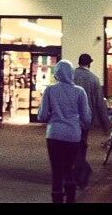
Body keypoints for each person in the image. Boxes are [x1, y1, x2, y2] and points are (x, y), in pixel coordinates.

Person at [38, 59, 92, 204]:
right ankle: (71, 199)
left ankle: (56, 199)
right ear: (71, 73)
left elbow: (42, 116)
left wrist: (51, 115)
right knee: (69, 168)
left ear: (57, 73)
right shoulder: (80, 91)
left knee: (56, 171)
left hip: (54, 134)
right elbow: (86, 119)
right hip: (73, 135)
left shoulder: (50, 90)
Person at [73, 53, 112, 188]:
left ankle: (78, 172)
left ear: (79, 63)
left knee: (72, 145)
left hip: (70, 118)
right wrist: (105, 125)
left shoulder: (70, 77)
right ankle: (82, 173)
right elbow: (100, 104)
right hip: (85, 119)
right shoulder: (94, 79)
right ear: (89, 63)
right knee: (82, 145)